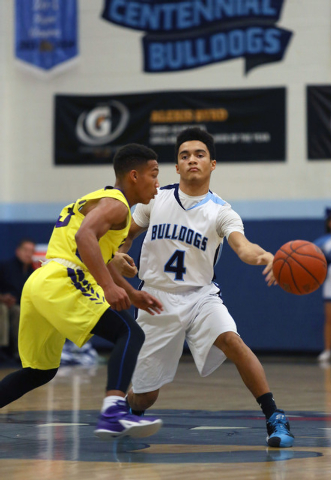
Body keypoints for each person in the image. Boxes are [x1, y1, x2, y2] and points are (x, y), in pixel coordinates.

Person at [120, 127, 294, 448]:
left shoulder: (222, 211)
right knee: (145, 397)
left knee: (232, 340)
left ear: (212, 164)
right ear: (177, 166)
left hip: (201, 296)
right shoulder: (155, 199)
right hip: (155, 300)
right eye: (184, 156)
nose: (192, 160)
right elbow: (126, 235)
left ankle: (274, 416)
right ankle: (126, 410)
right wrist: (117, 254)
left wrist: (266, 256)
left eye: (199, 154)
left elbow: (243, 248)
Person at [0, 143, 164, 440]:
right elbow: (84, 236)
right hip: (64, 278)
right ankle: (114, 412)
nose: (157, 184)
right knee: (130, 333)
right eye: (154, 175)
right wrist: (108, 286)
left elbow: (96, 252)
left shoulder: (97, 199)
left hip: (41, 282)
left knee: (40, 370)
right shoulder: (117, 204)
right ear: (134, 176)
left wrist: (131, 291)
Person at [0, 239, 36, 361]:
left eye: (31, 251)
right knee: (3, 309)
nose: (28, 254)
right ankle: (2, 348)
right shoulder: (5, 267)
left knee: (20, 311)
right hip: (3, 303)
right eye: (25, 250)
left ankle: (19, 350)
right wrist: (2, 298)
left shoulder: (33, 273)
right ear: (17, 251)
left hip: (19, 305)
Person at [314, 208, 331, 363]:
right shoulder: (323, 242)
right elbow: (310, 258)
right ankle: (328, 350)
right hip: (330, 283)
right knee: (329, 318)